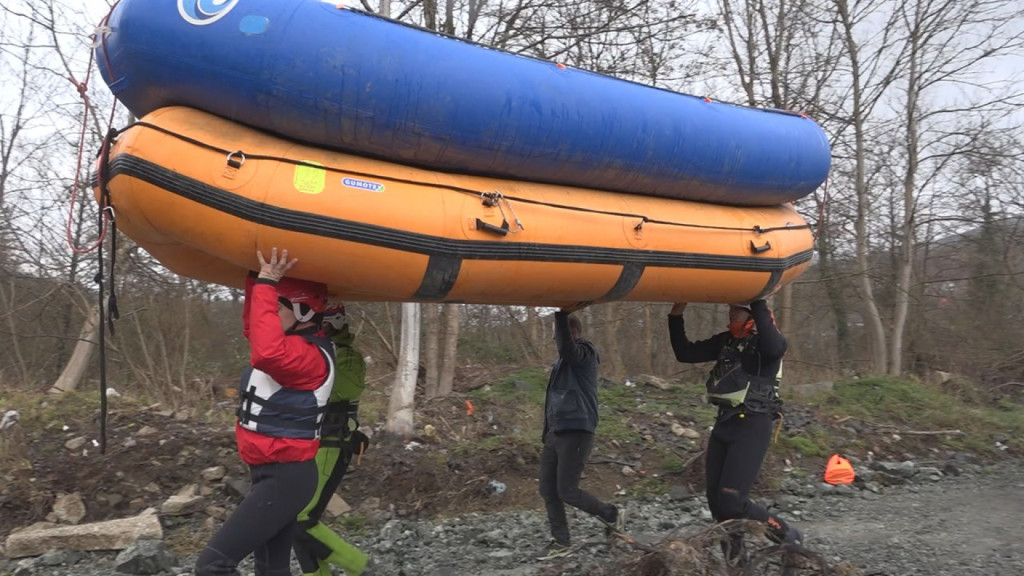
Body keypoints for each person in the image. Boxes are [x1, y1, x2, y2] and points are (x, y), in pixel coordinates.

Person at [195, 248, 334, 576]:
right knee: (271, 570)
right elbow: (257, 328)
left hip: (286, 478)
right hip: (272, 475)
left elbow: (267, 352)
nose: (269, 312)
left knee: (212, 566)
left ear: (303, 312)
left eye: (277, 307)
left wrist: (268, 283)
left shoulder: (308, 357)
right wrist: (256, 278)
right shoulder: (288, 343)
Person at [667, 300, 803, 560]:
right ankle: (735, 563)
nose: (729, 316)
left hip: (752, 426)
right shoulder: (727, 341)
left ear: (752, 317)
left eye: (735, 312)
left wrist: (758, 300)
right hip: (724, 425)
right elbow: (685, 353)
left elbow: (773, 346)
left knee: (733, 501)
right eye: (729, 312)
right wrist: (676, 315)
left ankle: (787, 533)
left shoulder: (767, 344)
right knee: (718, 506)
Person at [293, 304, 375, 576]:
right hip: (305, 444)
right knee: (297, 522)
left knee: (300, 521)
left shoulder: (348, 357)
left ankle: (361, 567)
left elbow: (338, 389)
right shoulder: (309, 351)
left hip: (331, 444)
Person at [537, 308, 623, 560]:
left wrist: (561, 313)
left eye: (556, 333)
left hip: (577, 431)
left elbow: (567, 348)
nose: (553, 338)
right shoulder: (560, 364)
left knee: (567, 491)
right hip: (555, 433)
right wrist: (547, 432)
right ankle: (561, 541)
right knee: (548, 489)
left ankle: (611, 514)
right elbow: (553, 400)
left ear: (571, 331)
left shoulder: (585, 353)